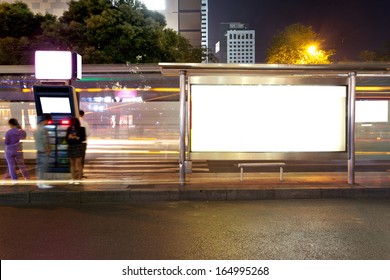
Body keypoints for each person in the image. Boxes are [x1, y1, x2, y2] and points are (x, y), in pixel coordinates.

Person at [34, 113, 53, 189]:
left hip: (38, 150)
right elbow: (45, 141)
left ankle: (39, 182)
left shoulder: (36, 128)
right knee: (43, 167)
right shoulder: (44, 129)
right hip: (44, 151)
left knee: (39, 167)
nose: (48, 122)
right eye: (48, 121)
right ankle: (41, 183)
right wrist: (48, 150)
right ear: (46, 120)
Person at [66, 117, 86, 184]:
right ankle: (73, 178)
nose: (73, 125)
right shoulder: (69, 129)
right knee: (72, 164)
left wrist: (76, 137)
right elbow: (66, 138)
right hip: (71, 146)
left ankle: (79, 179)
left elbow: (83, 138)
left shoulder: (81, 129)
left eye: (74, 123)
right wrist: (69, 137)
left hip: (78, 146)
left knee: (78, 164)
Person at [79, 110, 90, 178]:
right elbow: (87, 133)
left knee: (75, 159)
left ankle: (74, 174)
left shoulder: (74, 122)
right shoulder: (85, 123)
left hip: (74, 143)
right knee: (81, 158)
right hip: (83, 143)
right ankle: (81, 173)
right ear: (82, 115)